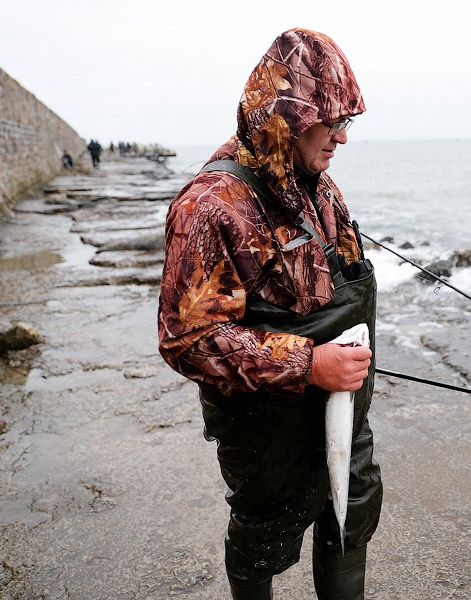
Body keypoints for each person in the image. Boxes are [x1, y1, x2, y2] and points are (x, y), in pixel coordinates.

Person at [157, 28, 382, 600]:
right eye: (329, 124)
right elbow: (188, 339)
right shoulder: (210, 207)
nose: (341, 139)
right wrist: (308, 364)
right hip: (265, 432)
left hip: (341, 412)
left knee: (351, 512)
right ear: (286, 116)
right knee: (263, 539)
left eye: (346, 123)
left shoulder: (319, 186)